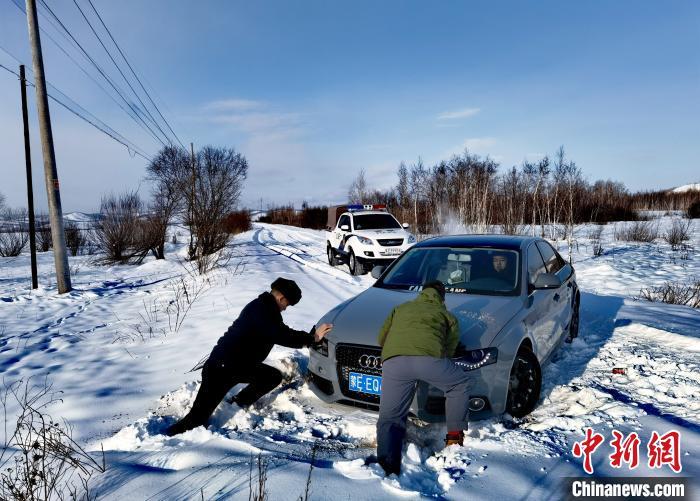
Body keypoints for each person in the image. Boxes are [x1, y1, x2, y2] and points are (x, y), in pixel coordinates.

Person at [165, 277, 332, 436]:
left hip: (237, 366)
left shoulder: (265, 308)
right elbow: (281, 334)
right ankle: (165, 439)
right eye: (287, 304)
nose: (285, 308)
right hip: (221, 368)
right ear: (281, 298)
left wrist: (308, 338)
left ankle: (238, 403)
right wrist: (313, 339)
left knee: (271, 376)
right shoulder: (262, 310)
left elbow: (281, 330)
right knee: (197, 419)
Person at [375, 280, 471, 476]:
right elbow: (450, 350)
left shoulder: (400, 308)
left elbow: (381, 338)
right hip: (429, 361)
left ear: (421, 293)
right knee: (458, 385)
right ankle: (454, 437)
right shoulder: (447, 315)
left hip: (395, 362)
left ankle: (386, 467)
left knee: (390, 417)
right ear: (441, 298)